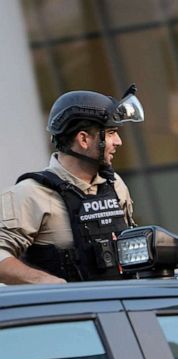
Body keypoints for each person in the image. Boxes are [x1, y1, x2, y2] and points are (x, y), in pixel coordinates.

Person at [0, 87, 145, 284]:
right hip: (69, 312)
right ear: (83, 139)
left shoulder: (115, 184)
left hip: (119, 307)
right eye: (110, 133)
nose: (118, 142)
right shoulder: (30, 194)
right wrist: (45, 282)